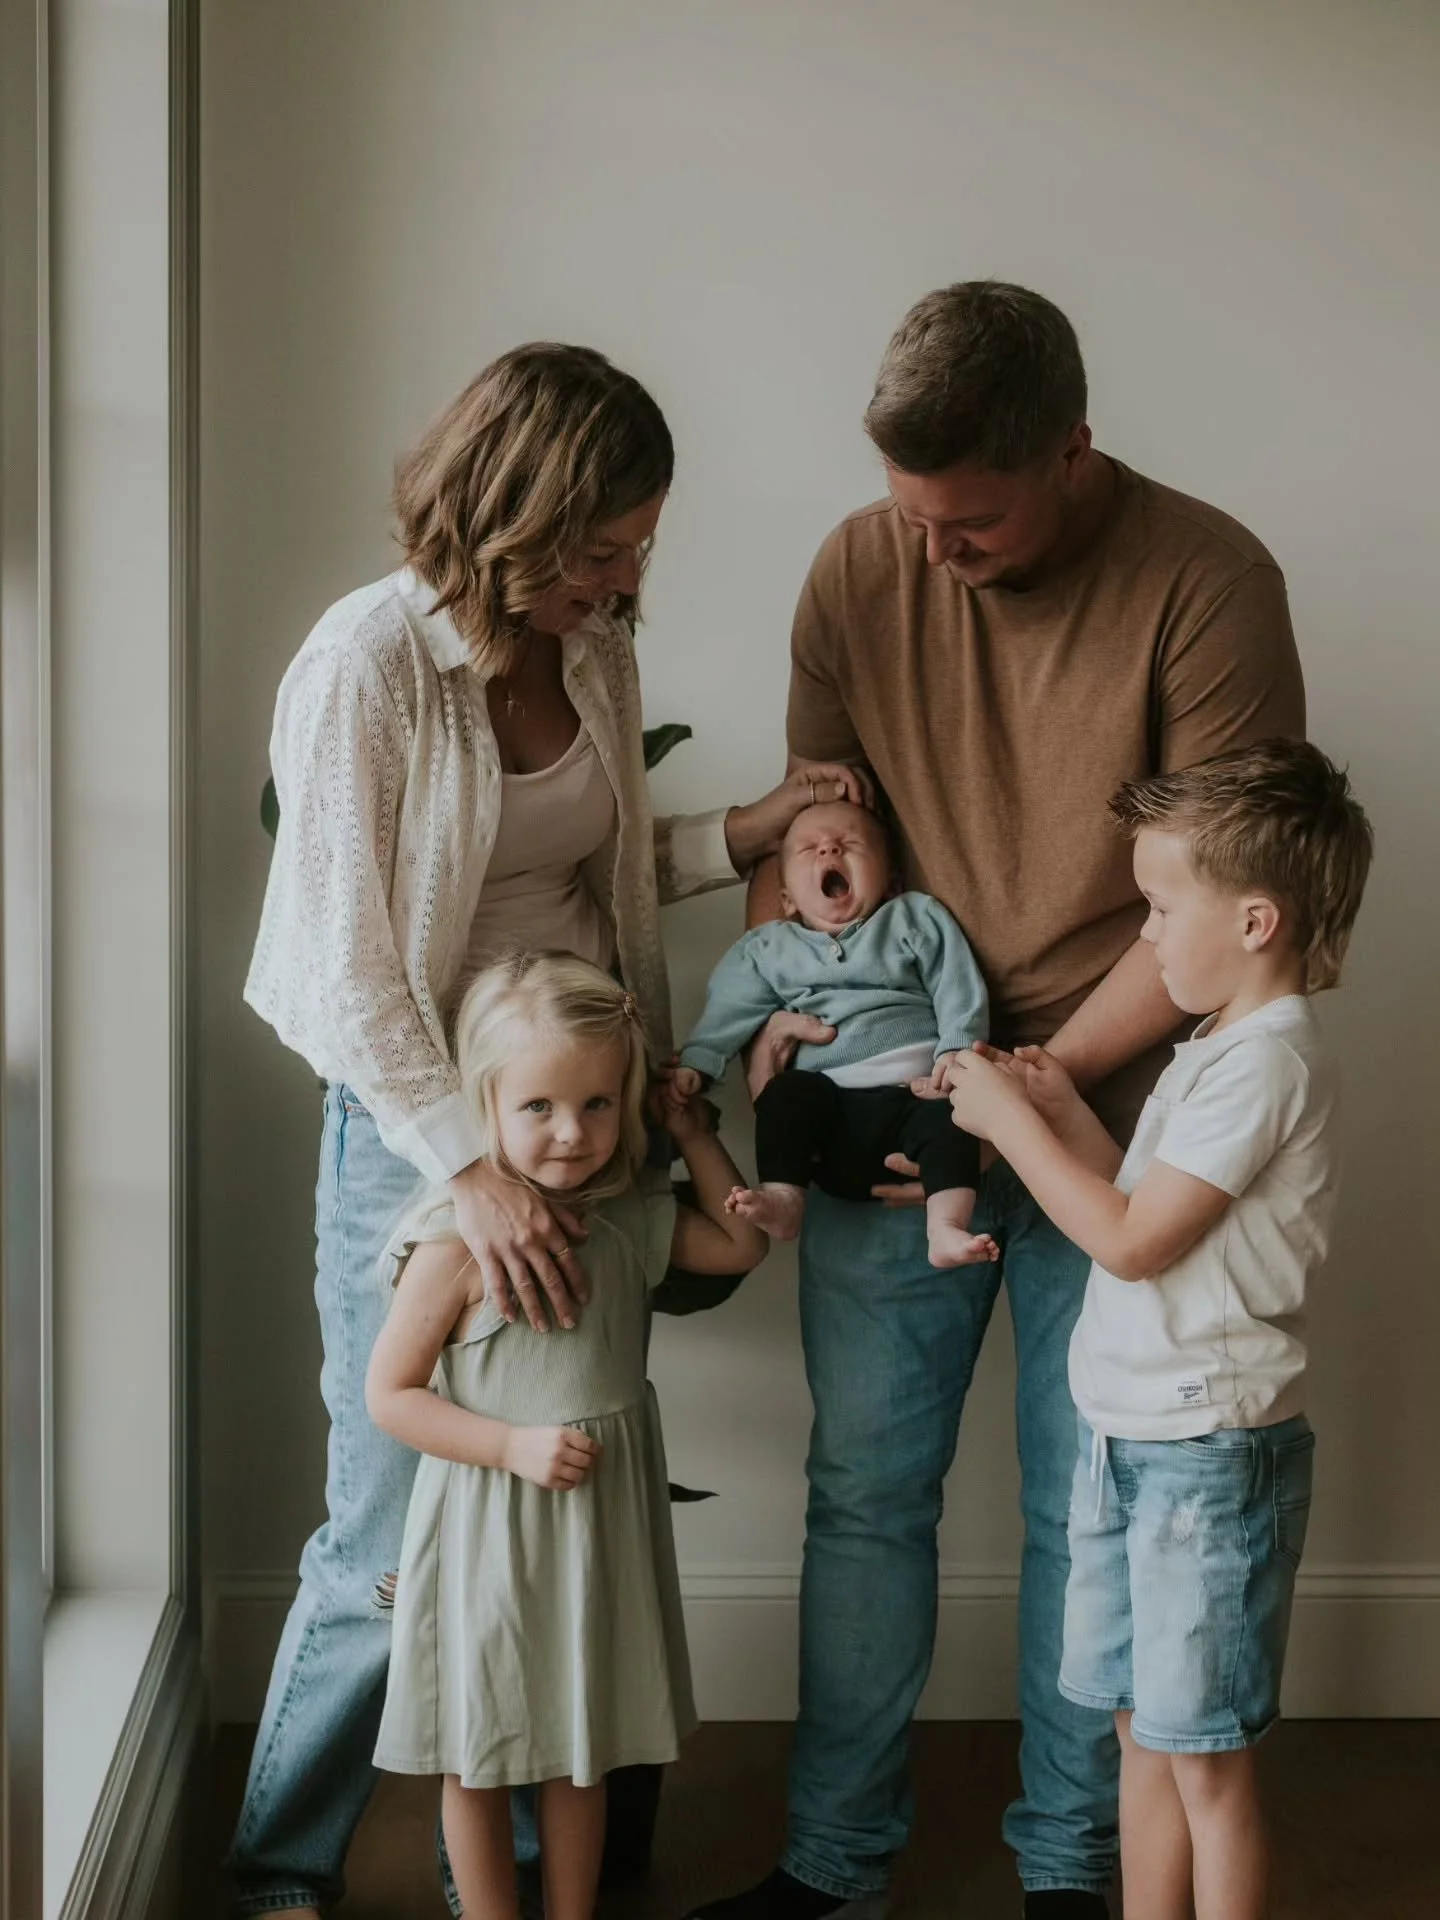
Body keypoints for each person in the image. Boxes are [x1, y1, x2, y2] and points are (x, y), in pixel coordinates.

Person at [690, 283, 1306, 1920]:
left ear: (1074, 452)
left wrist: (1022, 1096)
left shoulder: (1207, 581)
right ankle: (831, 1868)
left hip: (1124, 1116)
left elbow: (1237, 909)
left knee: (1084, 1509)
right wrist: (799, 1042)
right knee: (864, 1491)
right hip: (904, 1098)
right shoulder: (855, 564)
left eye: (969, 523)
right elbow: (814, 855)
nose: (933, 554)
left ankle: (1069, 1870)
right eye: (910, 516)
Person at [231, 341, 863, 1919]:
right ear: (512, 512)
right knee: (393, 1535)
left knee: (558, 1507)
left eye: (640, 543)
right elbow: (344, 965)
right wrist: (464, 1173)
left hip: (570, 1107)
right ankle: (276, 1869)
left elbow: (594, 860)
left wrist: (748, 832)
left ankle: (520, 1894)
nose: (626, 574)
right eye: (602, 546)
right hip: (418, 1138)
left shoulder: (588, 653)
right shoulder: (366, 667)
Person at [946, 739, 1373, 1920]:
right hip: (1132, 1440)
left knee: (1205, 1760)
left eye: (1156, 909)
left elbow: (1133, 1245)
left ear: (1253, 920)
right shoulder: (1212, 1052)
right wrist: (1052, 1103)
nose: (1143, 940)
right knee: (1139, 1731)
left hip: (1209, 1460)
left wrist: (1011, 1130)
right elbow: (1134, 1200)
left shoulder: (1269, 1063)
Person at [366, 951, 767, 1920]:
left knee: (580, 1751)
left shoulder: (627, 1213)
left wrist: (691, 1132)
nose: (572, 1134)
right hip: (492, 1532)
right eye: (538, 1107)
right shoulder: (454, 1244)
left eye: (595, 1104)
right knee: (477, 1753)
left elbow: (741, 1241)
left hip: (597, 1530)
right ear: (484, 1106)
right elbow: (392, 1394)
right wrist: (511, 1448)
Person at [670, 798, 997, 1267]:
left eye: (849, 845)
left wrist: (959, 1047)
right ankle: (785, 1200)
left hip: (917, 1097)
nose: (828, 852)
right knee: (786, 1096)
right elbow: (730, 1007)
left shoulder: (911, 917)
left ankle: (945, 1227)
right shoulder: (769, 948)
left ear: (891, 881)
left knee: (953, 1117)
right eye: (809, 849)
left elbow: (956, 982)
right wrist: (699, 1061)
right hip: (832, 1116)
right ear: (786, 899)